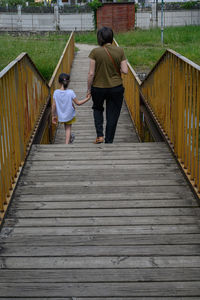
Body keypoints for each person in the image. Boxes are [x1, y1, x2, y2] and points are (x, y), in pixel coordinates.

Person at [87, 26, 128, 144]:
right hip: (116, 88)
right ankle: (109, 141)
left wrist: (88, 89)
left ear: (99, 38)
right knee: (112, 115)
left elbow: (91, 73)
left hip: (98, 88)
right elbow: (125, 71)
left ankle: (100, 135)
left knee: (97, 108)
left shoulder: (95, 52)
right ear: (111, 37)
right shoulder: (120, 50)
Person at [52, 73, 90, 144]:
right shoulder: (70, 92)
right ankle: (67, 144)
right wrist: (87, 99)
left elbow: (54, 105)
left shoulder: (56, 92)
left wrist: (53, 115)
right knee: (68, 128)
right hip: (69, 114)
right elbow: (78, 103)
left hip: (61, 115)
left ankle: (69, 139)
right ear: (68, 82)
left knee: (66, 127)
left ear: (59, 82)